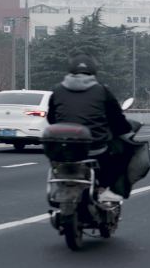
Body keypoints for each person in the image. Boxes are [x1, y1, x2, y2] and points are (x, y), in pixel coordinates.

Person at [47, 54, 133, 202]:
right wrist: (126, 130)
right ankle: (106, 189)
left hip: (63, 148)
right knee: (123, 153)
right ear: (93, 72)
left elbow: (51, 118)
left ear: (71, 71)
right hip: (95, 148)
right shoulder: (101, 91)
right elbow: (116, 119)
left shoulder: (57, 90)